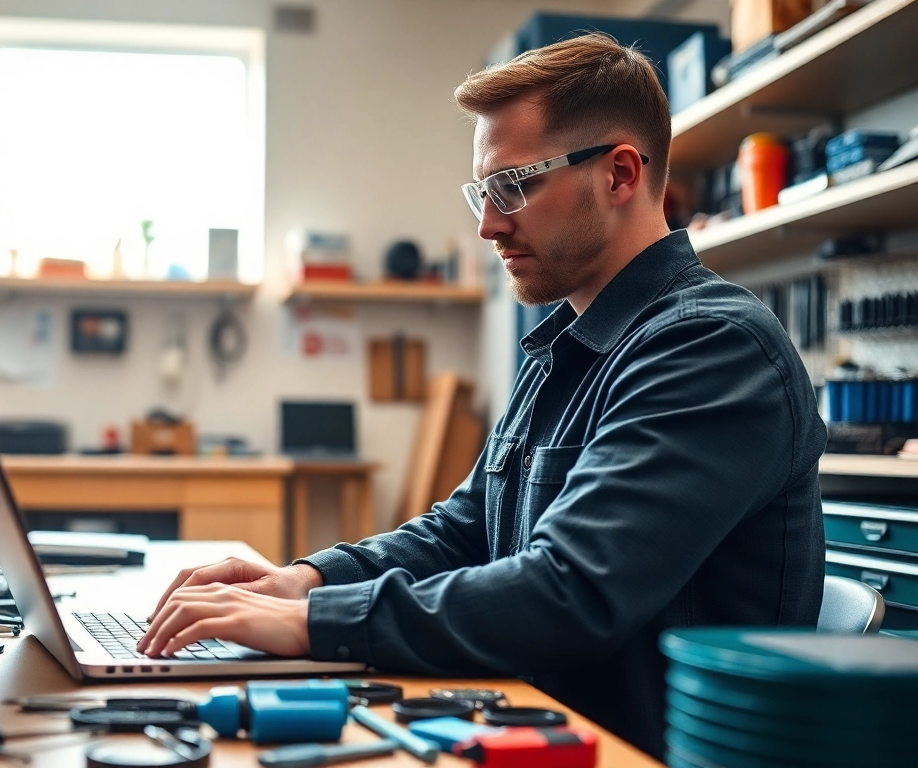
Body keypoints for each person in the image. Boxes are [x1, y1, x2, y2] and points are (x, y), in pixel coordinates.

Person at [137, 32, 826, 758]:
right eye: (483, 191)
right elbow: (463, 531)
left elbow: (568, 591)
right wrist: (302, 580)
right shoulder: (565, 345)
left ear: (620, 174)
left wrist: (315, 621)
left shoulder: (711, 349)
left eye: (514, 186)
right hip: (532, 728)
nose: (488, 224)